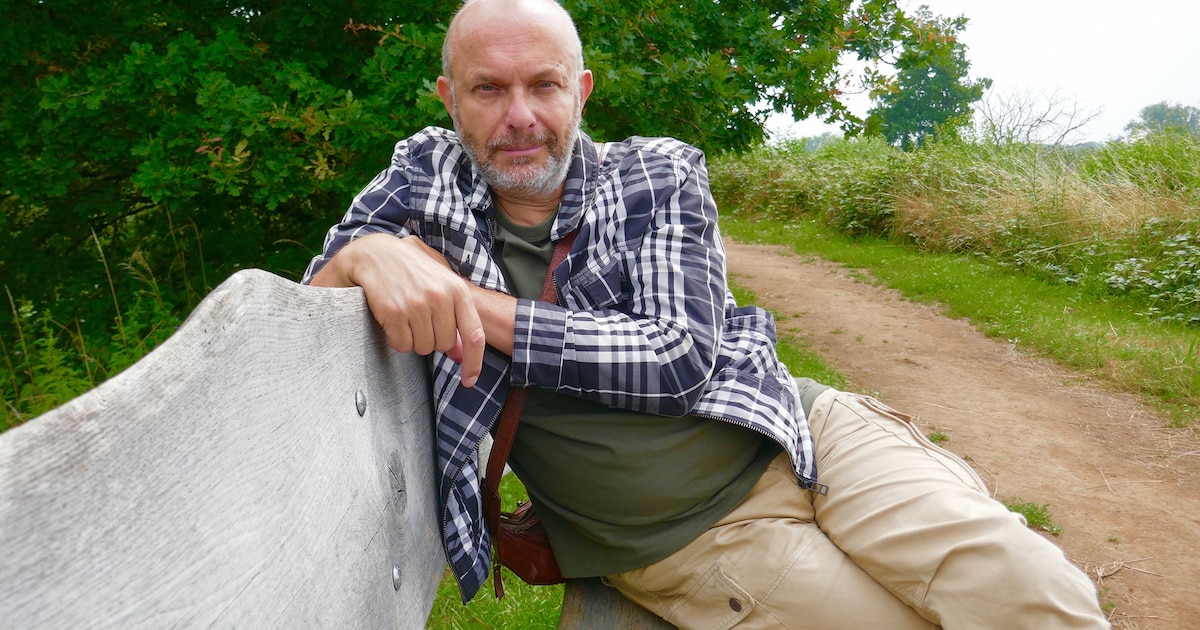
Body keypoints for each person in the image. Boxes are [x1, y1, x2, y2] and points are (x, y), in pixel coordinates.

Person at [304, 0, 1108, 627]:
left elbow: (676, 357)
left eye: (543, 85)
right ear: (451, 99)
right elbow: (308, 305)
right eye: (488, 89)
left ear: (580, 91)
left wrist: (477, 307)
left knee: (1037, 594)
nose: (519, 116)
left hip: (806, 432)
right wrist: (363, 256)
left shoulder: (656, 174)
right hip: (687, 534)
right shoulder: (422, 182)